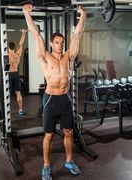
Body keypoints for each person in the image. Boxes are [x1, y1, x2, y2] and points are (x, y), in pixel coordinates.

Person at [23, 4, 86, 180]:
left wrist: (83, 14)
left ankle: (69, 161)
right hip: (50, 99)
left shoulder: (68, 57)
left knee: (68, 132)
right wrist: (26, 13)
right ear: (51, 43)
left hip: (65, 99)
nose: (59, 45)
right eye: (56, 42)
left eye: (61, 43)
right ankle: (45, 166)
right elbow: (35, 35)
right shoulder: (44, 56)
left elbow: (77, 34)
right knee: (49, 135)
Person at [0, 29, 27, 115]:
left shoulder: (6, 54)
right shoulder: (17, 54)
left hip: (8, 75)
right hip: (16, 74)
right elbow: (21, 44)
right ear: (14, 47)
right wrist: (23, 33)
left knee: (7, 94)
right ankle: (20, 110)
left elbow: (0, 43)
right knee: (18, 93)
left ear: (8, 47)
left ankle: (6, 111)